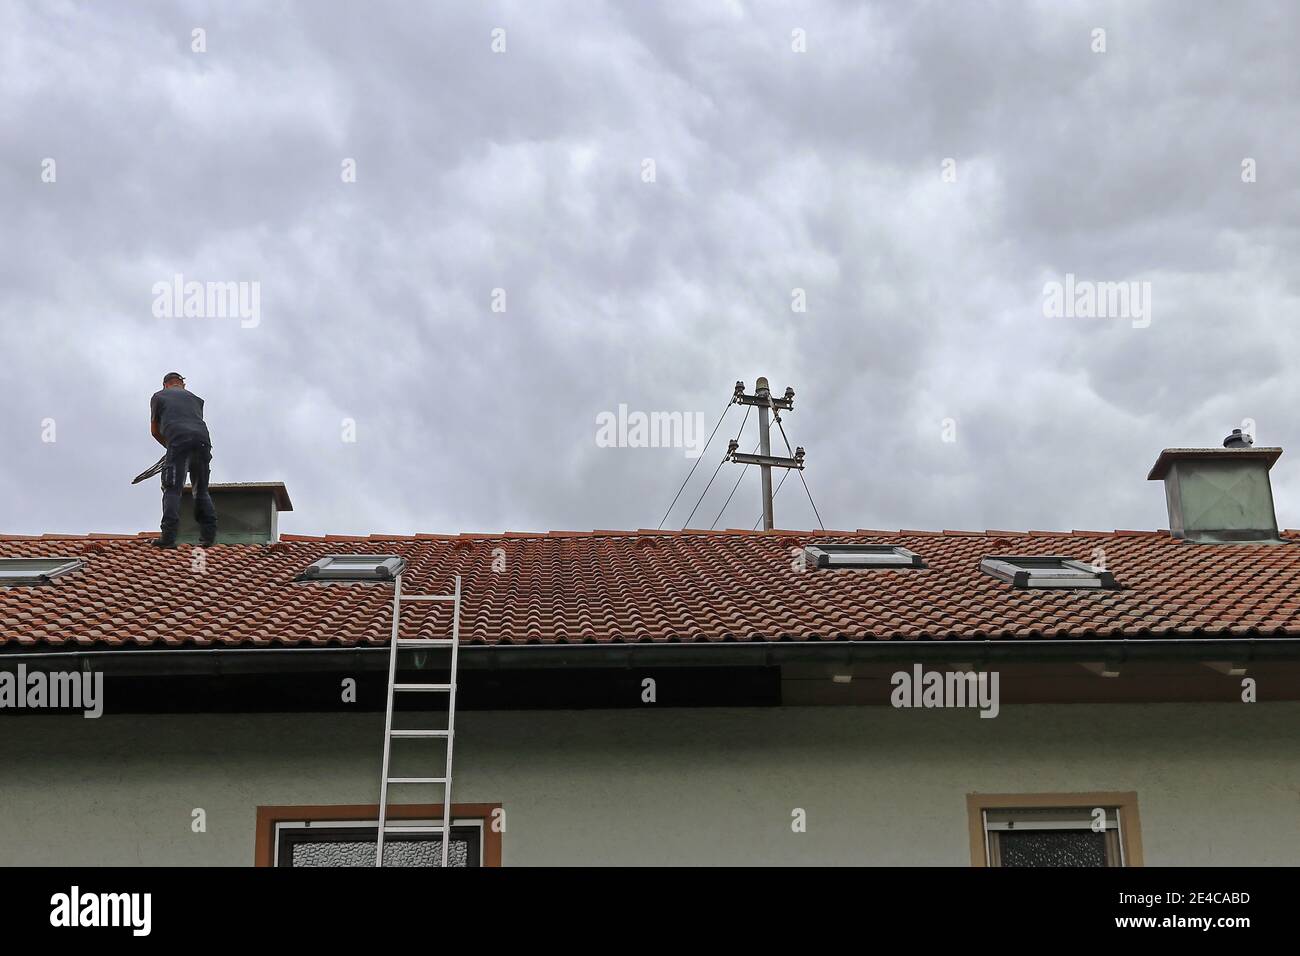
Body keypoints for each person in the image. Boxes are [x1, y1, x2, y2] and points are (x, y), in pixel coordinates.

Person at [149, 372, 217, 548]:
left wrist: (170, 447)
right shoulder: (196, 399)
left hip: (178, 441)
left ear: (165, 385)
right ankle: (208, 537)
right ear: (183, 385)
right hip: (203, 442)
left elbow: (155, 430)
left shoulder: (159, 397)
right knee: (201, 490)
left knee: (172, 489)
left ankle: (168, 537)